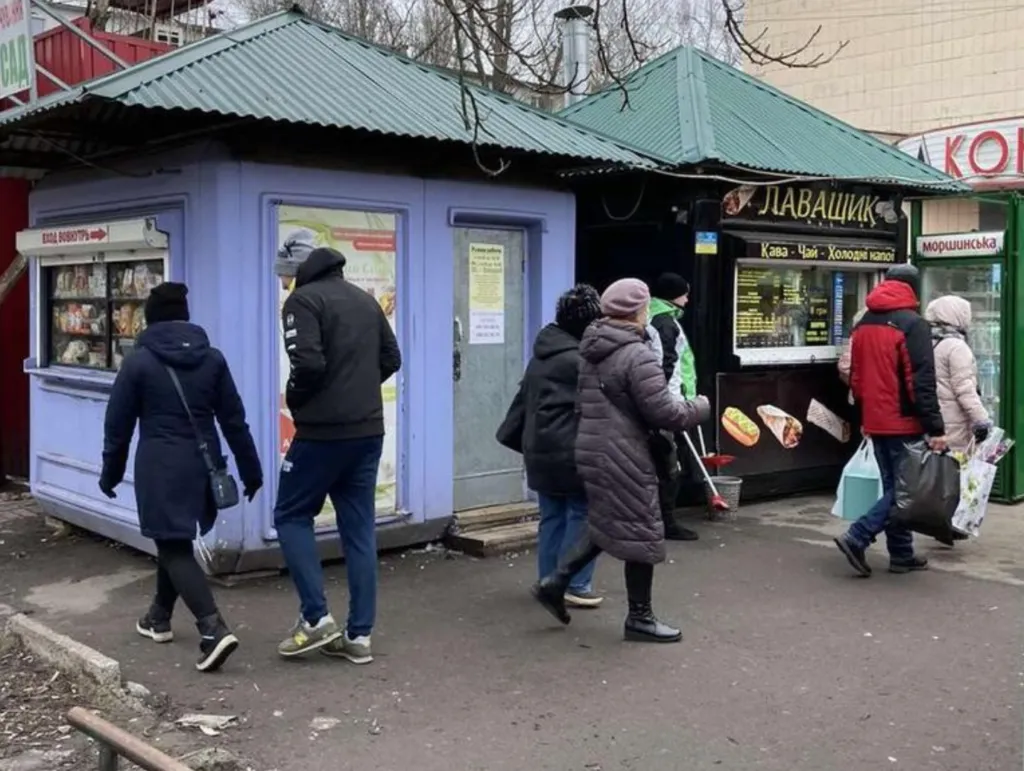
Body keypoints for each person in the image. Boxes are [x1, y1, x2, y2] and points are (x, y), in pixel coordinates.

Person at [531, 278, 710, 643]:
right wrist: (700, 406)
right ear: (637, 311)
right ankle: (639, 618)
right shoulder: (636, 354)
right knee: (641, 529)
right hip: (625, 451)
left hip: (593, 447)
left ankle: (556, 581)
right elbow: (665, 413)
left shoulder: (591, 346)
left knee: (607, 521)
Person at [100, 282, 262, 673]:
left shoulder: (139, 362)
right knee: (175, 538)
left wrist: (111, 472)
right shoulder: (213, 360)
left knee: (172, 545)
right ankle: (158, 617)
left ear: (151, 318)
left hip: (160, 464)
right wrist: (250, 469)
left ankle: (212, 628)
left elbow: (117, 425)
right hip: (205, 465)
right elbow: (234, 420)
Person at [273, 246, 401, 663]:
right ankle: (359, 636)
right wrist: (357, 387)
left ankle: (315, 619)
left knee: (291, 515)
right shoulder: (365, 299)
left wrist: (300, 400)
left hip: (321, 434)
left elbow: (307, 365)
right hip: (367, 431)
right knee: (359, 531)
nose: (283, 282)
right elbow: (391, 357)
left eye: (283, 275)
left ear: (296, 272)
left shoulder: (303, 301)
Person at [834, 263, 946, 577]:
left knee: (893, 487)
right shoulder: (913, 324)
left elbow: (856, 375)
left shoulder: (865, 321)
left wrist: (864, 415)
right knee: (905, 491)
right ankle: (859, 536)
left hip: (875, 418)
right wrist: (935, 427)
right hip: (904, 421)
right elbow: (920, 381)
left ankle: (901, 555)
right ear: (913, 287)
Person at [497, 285, 605, 609]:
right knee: (582, 514)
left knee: (552, 516)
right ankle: (574, 583)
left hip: (539, 450)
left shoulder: (542, 354)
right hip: (569, 450)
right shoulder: (579, 361)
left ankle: (548, 580)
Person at [647, 273, 700, 541]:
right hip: (669, 403)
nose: (688, 298)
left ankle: (660, 518)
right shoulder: (666, 323)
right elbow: (666, 365)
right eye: (685, 293)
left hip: (661, 401)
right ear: (673, 295)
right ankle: (667, 521)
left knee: (662, 462)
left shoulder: (651, 317)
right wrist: (671, 400)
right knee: (671, 465)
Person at [925, 295, 992, 453]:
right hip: (954, 424)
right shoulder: (956, 347)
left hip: (931, 421)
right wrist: (981, 420)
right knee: (955, 470)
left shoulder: (925, 342)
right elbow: (964, 389)